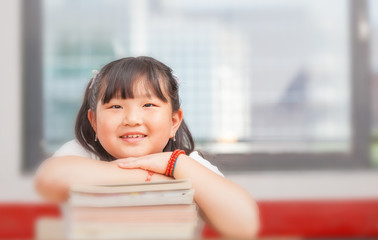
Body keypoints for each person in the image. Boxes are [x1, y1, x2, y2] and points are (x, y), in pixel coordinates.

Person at [35, 56, 259, 239]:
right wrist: (156, 175)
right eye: (115, 106)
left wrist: (175, 163)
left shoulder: (186, 163)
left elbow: (244, 225)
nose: (132, 119)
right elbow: (48, 180)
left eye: (148, 105)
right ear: (94, 121)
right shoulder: (83, 155)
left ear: (174, 122)